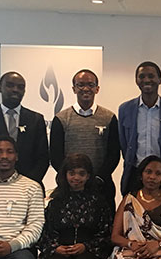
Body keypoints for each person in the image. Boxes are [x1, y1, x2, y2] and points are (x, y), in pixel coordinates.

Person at [50, 69, 121, 206]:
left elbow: (113, 154)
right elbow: (55, 156)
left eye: (90, 85)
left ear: (97, 89)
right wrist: (72, 178)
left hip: (101, 186)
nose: (86, 89)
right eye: (80, 85)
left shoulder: (109, 117)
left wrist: (98, 178)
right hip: (70, 187)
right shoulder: (61, 118)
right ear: (74, 89)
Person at [0, 72, 49, 185]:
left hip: (29, 187)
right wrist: (0, 182)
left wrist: (25, 184)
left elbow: (42, 158)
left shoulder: (36, 119)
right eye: (10, 85)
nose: (15, 90)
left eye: (20, 87)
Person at [117, 61, 161, 195]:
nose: (146, 80)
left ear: (160, 80)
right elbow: (124, 143)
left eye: (151, 76)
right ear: (136, 80)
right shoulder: (125, 109)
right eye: (142, 76)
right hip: (135, 173)